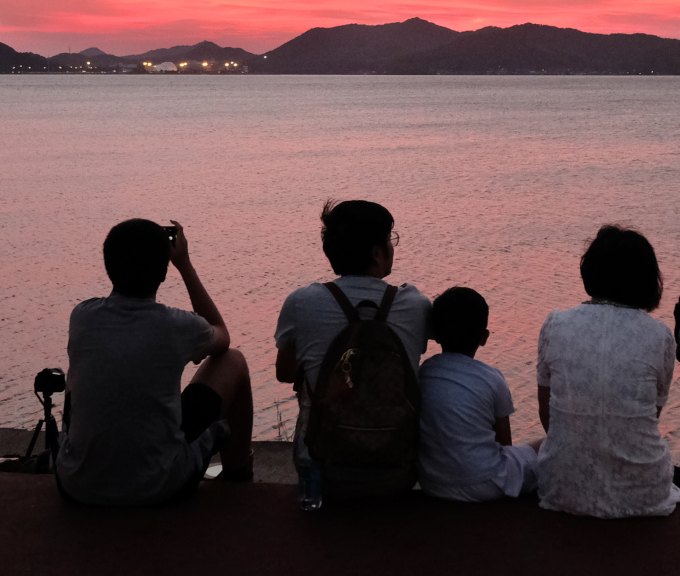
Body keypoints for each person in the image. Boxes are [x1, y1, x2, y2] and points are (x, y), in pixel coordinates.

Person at [56, 219, 255, 505]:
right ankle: (238, 476)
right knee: (233, 360)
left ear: (109, 266)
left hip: (77, 485)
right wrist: (184, 265)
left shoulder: (82, 317)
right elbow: (221, 336)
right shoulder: (177, 325)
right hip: (160, 486)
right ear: (163, 272)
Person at [273, 199, 429, 502]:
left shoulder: (301, 303)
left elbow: (283, 373)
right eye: (390, 239)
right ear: (376, 252)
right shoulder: (415, 305)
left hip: (323, 476)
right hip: (398, 476)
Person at [534, 225, 680, 517]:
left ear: (590, 271)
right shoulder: (659, 335)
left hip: (561, 487)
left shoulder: (555, 324)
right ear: (647, 279)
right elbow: (651, 415)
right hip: (641, 494)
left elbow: (547, 413)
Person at [418, 286, 538, 502]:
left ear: (435, 334)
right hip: (486, 484)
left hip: (433, 483)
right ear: (484, 337)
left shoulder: (424, 372)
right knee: (545, 446)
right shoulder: (492, 378)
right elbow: (504, 444)